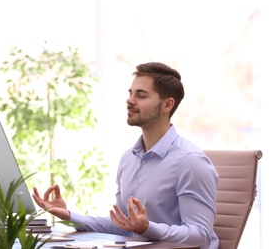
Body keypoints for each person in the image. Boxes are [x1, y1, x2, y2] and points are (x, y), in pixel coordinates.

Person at [32, 62, 219, 249]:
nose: (130, 100)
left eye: (141, 95)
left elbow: (201, 236)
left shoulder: (190, 161)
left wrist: (147, 227)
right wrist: (69, 215)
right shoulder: (129, 158)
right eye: (131, 93)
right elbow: (123, 225)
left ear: (167, 105)